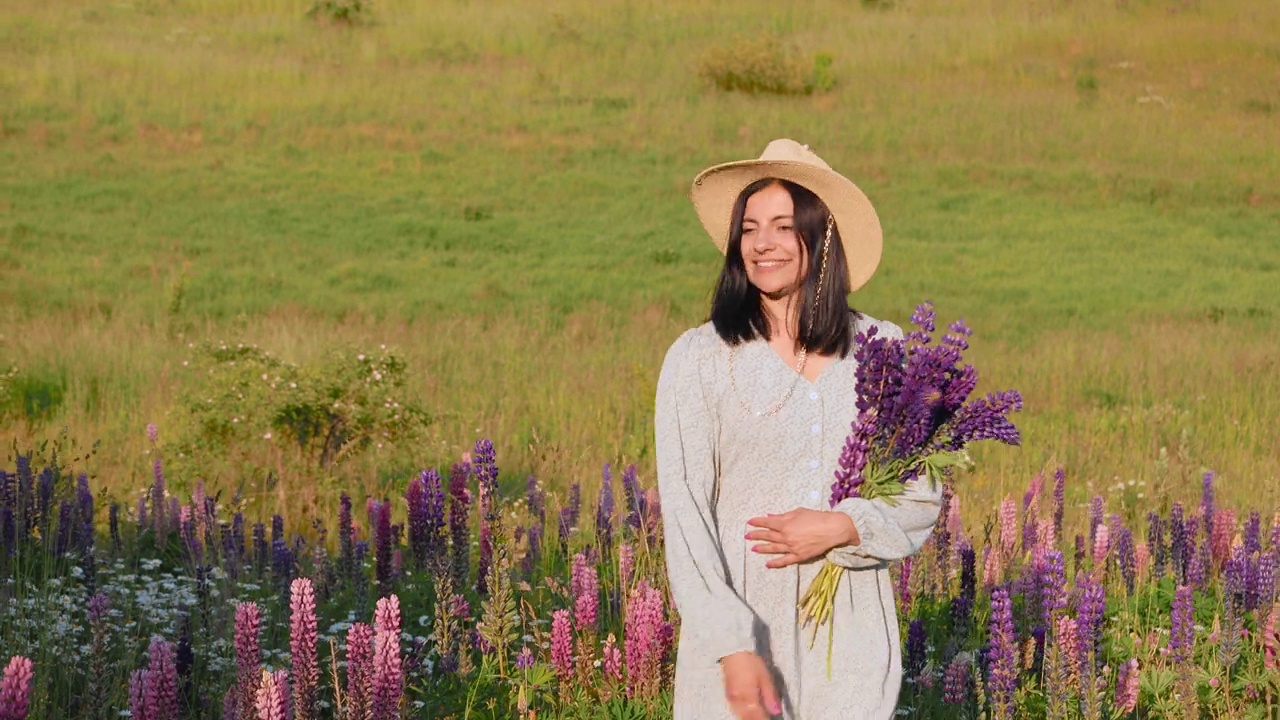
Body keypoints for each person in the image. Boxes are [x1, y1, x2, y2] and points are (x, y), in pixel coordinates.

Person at [655, 139, 945, 720]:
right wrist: (731, 643)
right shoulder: (699, 359)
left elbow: (922, 494)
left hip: (850, 639)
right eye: (750, 228)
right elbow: (686, 516)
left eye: (784, 226)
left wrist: (842, 526)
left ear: (822, 236)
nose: (762, 244)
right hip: (741, 633)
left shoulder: (883, 351)